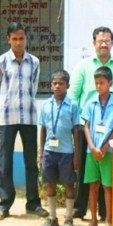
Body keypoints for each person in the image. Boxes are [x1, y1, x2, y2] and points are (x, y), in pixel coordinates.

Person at [67, 26, 113, 220]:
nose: (103, 44)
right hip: (86, 125)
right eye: (100, 40)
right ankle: (80, 207)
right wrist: (78, 123)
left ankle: (105, 211)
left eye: (107, 40)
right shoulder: (83, 66)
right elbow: (73, 95)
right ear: (93, 42)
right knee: (85, 168)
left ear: (112, 43)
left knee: (107, 171)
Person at [0, 22, 49, 220]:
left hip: (28, 116)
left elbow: (33, 88)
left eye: (21, 38)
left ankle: (33, 203)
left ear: (26, 38)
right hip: (6, 117)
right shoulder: (2, 62)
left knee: (30, 161)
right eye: (14, 39)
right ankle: (5, 204)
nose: (18, 42)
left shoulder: (34, 62)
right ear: (8, 39)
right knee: (5, 162)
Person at [81, 66, 113, 226]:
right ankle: (93, 219)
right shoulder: (91, 102)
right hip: (91, 151)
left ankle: (108, 218)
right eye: (96, 83)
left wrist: (105, 147)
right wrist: (92, 147)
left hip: (109, 152)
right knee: (93, 185)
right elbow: (86, 126)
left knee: (108, 186)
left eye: (102, 83)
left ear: (110, 83)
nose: (98, 86)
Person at [39, 70, 80, 226]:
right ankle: (52, 217)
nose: (57, 86)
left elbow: (76, 130)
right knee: (50, 183)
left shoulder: (72, 105)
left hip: (66, 152)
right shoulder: (46, 105)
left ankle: (68, 217)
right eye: (54, 83)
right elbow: (43, 130)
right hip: (49, 151)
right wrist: (41, 152)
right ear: (51, 85)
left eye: (60, 83)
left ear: (67, 86)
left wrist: (76, 155)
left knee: (69, 183)